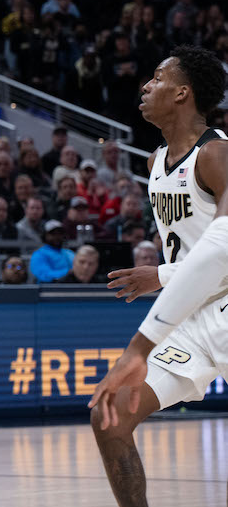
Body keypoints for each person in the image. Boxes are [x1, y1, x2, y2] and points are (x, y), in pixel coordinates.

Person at [89, 47, 228, 506]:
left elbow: (223, 247)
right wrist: (165, 278)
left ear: (183, 93)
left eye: (157, 78)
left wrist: (162, 276)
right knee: (110, 417)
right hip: (190, 323)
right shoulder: (154, 163)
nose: (146, 87)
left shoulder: (217, 154)